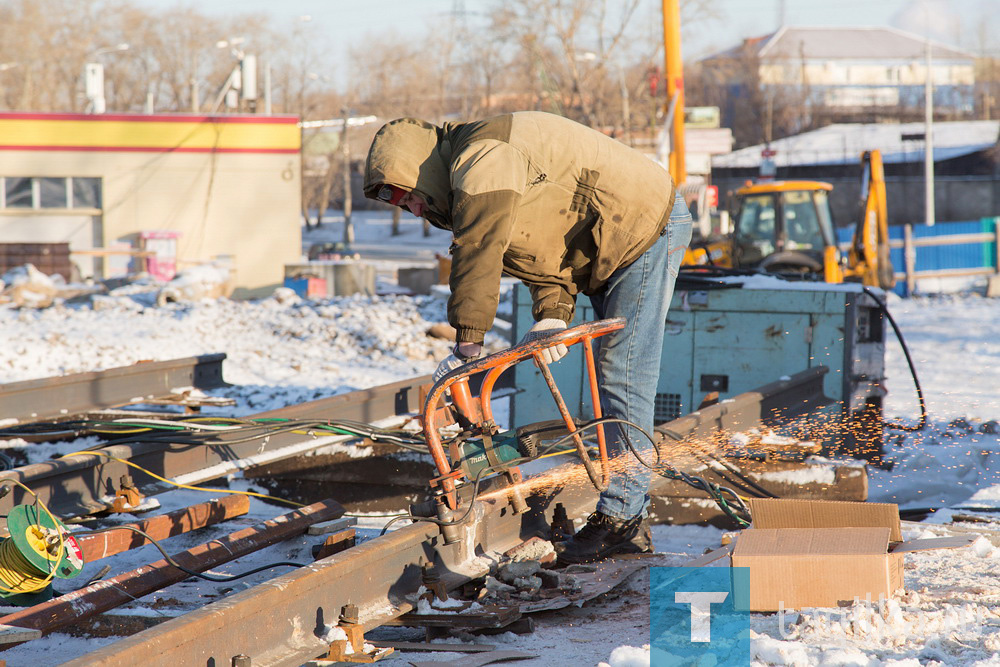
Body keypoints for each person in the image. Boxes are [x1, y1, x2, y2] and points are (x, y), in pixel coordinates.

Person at [363, 112, 692, 564]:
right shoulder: (479, 166)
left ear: (421, 168)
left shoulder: (482, 158)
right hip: (609, 234)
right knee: (614, 372)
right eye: (400, 205)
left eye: (407, 195)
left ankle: (621, 520)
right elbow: (540, 246)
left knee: (624, 372)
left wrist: (467, 347)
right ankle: (629, 514)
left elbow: (480, 250)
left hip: (644, 224)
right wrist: (552, 313)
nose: (413, 209)